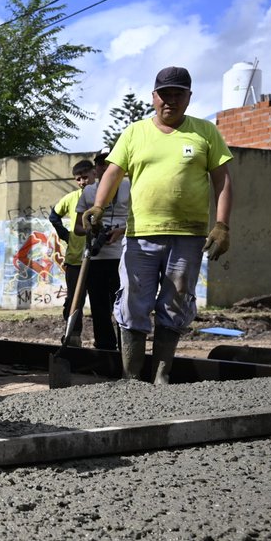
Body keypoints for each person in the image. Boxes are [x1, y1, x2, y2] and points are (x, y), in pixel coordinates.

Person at [82, 66, 233, 384]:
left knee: (176, 302)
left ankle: (161, 376)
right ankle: (132, 377)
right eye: (165, 94)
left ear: (189, 98)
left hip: (188, 236)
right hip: (141, 236)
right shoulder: (135, 133)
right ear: (154, 97)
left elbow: (223, 180)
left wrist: (222, 225)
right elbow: (112, 173)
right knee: (134, 301)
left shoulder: (205, 133)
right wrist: (98, 205)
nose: (171, 100)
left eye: (178, 94)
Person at [73, 148, 131, 351]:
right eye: (100, 163)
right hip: (95, 257)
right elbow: (77, 228)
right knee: (99, 306)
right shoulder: (88, 191)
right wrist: (90, 229)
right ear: (95, 169)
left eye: (109, 162)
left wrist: (122, 231)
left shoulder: (130, 187)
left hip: (123, 256)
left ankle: (126, 349)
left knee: (125, 304)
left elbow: (139, 220)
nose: (105, 166)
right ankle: (105, 347)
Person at [49, 160, 93, 324]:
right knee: (74, 301)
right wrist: (66, 235)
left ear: (93, 174)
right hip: (75, 259)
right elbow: (54, 216)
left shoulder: (103, 196)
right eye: (79, 179)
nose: (82, 182)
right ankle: (73, 336)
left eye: (85, 177)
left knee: (102, 302)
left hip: (100, 258)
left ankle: (105, 344)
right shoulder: (71, 198)